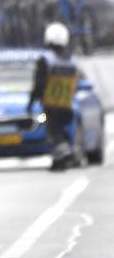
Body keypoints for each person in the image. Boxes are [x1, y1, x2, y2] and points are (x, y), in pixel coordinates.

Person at [27, 22, 78, 171]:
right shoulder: (72, 62)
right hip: (67, 107)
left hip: (48, 108)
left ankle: (67, 154)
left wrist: (31, 102)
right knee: (59, 132)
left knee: (47, 130)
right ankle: (58, 161)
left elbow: (39, 83)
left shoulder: (46, 60)